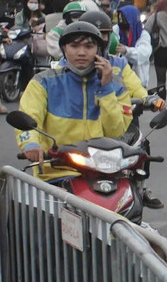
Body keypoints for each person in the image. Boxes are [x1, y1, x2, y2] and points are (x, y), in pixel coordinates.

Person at [15, 21, 133, 174]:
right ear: (64, 49)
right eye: (74, 46)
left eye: (89, 46)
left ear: (99, 49)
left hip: (100, 171)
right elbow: (29, 116)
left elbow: (115, 132)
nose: (82, 52)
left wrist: (106, 89)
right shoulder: (43, 82)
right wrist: (30, 145)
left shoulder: (116, 86)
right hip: (55, 174)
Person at [82, 9, 149, 102]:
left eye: (103, 34)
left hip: (115, 110)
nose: (98, 39)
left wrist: (148, 98)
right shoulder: (68, 65)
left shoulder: (119, 63)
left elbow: (135, 87)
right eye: (92, 36)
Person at [115, 5, 152, 87]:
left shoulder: (143, 35)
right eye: (119, 18)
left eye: (122, 18)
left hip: (138, 79)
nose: (120, 20)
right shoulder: (116, 30)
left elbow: (143, 54)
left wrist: (126, 50)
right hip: (119, 80)